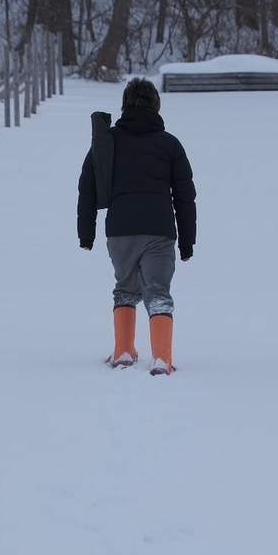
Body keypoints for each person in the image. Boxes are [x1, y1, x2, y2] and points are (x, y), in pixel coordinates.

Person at [78, 78, 196, 375]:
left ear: (124, 106)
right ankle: (161, 359)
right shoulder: (170, 144)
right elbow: (185, 196)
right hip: (159, 230)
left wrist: (86, 234)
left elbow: (87, 188)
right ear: (156, 106)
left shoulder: (107, 143)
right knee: (158, 292)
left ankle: (124, 352)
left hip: (120, 230)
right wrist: (187, 242)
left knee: (125, 289)